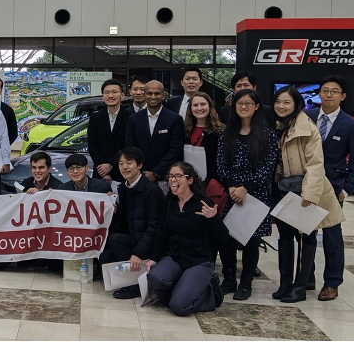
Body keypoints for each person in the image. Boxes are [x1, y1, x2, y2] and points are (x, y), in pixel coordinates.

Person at [271, 86, 345, 303]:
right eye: (278, 102)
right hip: (284, 190)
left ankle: (300, 286)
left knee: (305, 237)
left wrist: (310, 195)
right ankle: (286, 283)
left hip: (304, 192)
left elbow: (315, 164)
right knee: (284, 236)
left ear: (296, 105)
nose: (281, 106)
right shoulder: (280, 126)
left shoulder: (307, 129)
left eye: (286, 102)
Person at [305, 75, 354, 301]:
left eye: (334, 91)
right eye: (325, 90)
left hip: (333, 189)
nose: (328, 95)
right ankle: (306, 277)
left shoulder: (352, 124)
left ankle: (332, 283)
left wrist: (346, 190)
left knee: (332, 238)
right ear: (319, 93)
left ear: (343, 96)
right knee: (306, 234)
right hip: (307, 186)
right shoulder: (307, 118)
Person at [216, 89, 279, 301]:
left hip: (255, 194)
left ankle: (246, 282)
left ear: (257, 107)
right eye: (240, 103)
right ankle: (229, 279)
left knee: (252, 240)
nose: (243, 107)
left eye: (248, 103)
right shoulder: (227, 132)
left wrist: (246, 187)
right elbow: (220, 163)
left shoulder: (267, 133)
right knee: (226, 238)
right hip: (230, 193)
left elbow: (269, 166)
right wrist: (232, 186)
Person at [146, 162, 227, 316]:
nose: (172, 180)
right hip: (175, 257)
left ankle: (210, 293)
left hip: (198, 261)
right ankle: (183, 289)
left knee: (179, 307)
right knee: (154, 277)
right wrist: (153, 258)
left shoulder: (203, 203)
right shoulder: (170, 202)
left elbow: (223, 236)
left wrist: (213, 218)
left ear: (190, 180)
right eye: (170, 176)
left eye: (178, 176)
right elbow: (161, 232)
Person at [99, 147, 164, 299]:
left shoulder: (152, 191)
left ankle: (135, 285)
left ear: (139, 165)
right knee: (104, 258)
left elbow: (155, 227)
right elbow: (126, 221)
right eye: (121, 164)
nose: (124, 167)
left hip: (148, 245)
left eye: (129, 163)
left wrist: (138, 253)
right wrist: (114, 210)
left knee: (116, 240)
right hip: (133, 238)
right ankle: (130, 275)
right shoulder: (123, 188)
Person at [125, 80, 185, 189]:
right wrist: (141, 171)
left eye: (157, 93)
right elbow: (130, 147)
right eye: (149, 93)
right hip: (140, 176)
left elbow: (175, 149)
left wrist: (156, 172)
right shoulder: (133, 119)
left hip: (166, 178)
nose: (153, 96)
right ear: (144, 95)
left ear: (163, 95)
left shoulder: (175, 119)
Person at [184, 92, 225, 207]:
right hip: (188, 185)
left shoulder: (221, 131)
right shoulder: (185, 130)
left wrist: (206, 183)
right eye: (195, 105)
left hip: (211, 185)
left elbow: (221, 160)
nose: (199, 108)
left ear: (210, 107)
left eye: (203, 104)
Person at [89, 79, 133, 183]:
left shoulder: (130, 117)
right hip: (100, 173)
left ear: (122, 95)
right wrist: (102, 169)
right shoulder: (95, 118)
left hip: (123, 171)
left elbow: (129, 145)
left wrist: (111, 165)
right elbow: (92, 144)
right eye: (107, 92)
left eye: (114, 92)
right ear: (102, 96)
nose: (110, 96)